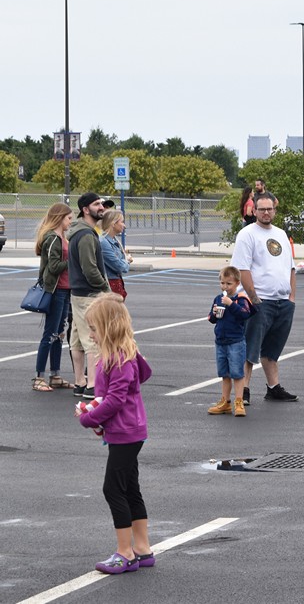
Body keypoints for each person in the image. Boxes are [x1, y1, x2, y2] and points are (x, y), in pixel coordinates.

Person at [76, 293, 155, 574]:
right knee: (130, 488)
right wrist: (95, 411)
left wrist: (89, 418)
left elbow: (115, 400)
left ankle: (125, 553)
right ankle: (142, 549)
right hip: (128, 431)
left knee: (113, 489)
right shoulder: (123, 354)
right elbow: (115, 395)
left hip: (126, 433)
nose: (91, 335)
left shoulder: (119, 359)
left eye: (94, 329)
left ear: (109, 328)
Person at [231, 192, 298, 404]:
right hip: (260, 301)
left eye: (270, 209)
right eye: (262, 209)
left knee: (272, 349)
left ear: (274, 211)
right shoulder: (247, 234)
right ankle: (244, 391)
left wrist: (291, 298)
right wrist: (253, 298)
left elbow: (291, 267)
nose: (266, 212)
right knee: (250, 348)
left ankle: (273, 387)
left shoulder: (280, 234)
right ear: (254, 211)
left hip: (282, 302)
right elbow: (242, 268)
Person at [68, 192, 111, 399]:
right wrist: (105, 289)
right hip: (88, 294)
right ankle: (92, 385)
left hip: (78, 294)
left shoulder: (79, 231)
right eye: (96, 204)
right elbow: (90, 269)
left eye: (101, 204)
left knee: (77, 338)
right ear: (86, 209)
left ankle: (79, 381)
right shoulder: (85, 235)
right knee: (92, 339)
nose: (101, 207)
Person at [32, 202, 74, 392]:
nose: (70, 222)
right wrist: (72, 259)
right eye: (69, 218)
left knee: (59, 335)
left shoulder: (63, 237)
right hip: (56, 291)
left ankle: (55, 375)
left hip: (65, 290)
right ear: (59, 218)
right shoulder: (52, 239)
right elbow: (53, 267)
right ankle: (39, 377)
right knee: (49, 334)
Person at [207, 266, 256, 417]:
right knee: (225, 373)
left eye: (228, 284)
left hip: (236, 341)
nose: (225, 287)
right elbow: (211, 318)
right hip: (221, 341)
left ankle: (239, 401)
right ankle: (225, 402)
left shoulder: (240, 299)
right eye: (222, 283)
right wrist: (214, 314)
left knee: (237, 373)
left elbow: (245, 314)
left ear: (237, 283)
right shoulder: (218, 298)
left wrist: (231, 304)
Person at [100, 210, 132, 301]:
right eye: (122, 222)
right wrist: (127, 261)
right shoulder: (103, 243)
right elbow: (120, 267)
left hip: (117, 284)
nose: (124, 225)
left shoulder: (114, 241)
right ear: (113, 224)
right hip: (110, 285)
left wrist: (124, 261)